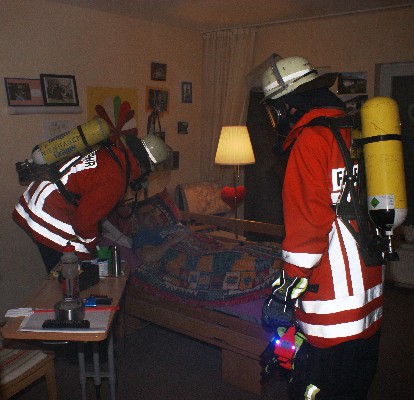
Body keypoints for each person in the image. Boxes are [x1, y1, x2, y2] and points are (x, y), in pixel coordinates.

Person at [260, 55, 383, 399]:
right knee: (355, 388)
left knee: (314, 390)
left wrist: (284, 293)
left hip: (331, 307)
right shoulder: (353, 130)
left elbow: (306, 233)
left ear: (287, 106)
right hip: (369, 296)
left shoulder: (311, 140)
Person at [13, 130, 170, 274]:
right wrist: (93, 247)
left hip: (38, 195)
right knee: (70, 278)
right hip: (48, 211)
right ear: (144, 167)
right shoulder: (115, 179)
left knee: (70, 272)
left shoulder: (110, 152)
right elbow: (84, 223)